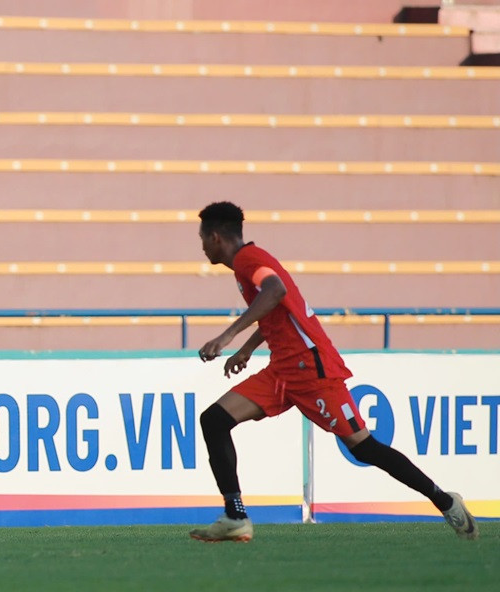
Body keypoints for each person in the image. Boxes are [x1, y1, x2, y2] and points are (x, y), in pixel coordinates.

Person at [190, 201, 478, 542]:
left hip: (312, 369)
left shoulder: (249, 260)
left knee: (364, 447)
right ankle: (235, 516)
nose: (202, 246)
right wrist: (247, 349)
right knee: (215, 420)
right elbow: (279, 310)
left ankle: (444, 501)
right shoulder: (247, 265)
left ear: (216, 236)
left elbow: (276, 292)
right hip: (282, 369)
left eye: (203, 239)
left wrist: (227, 335)